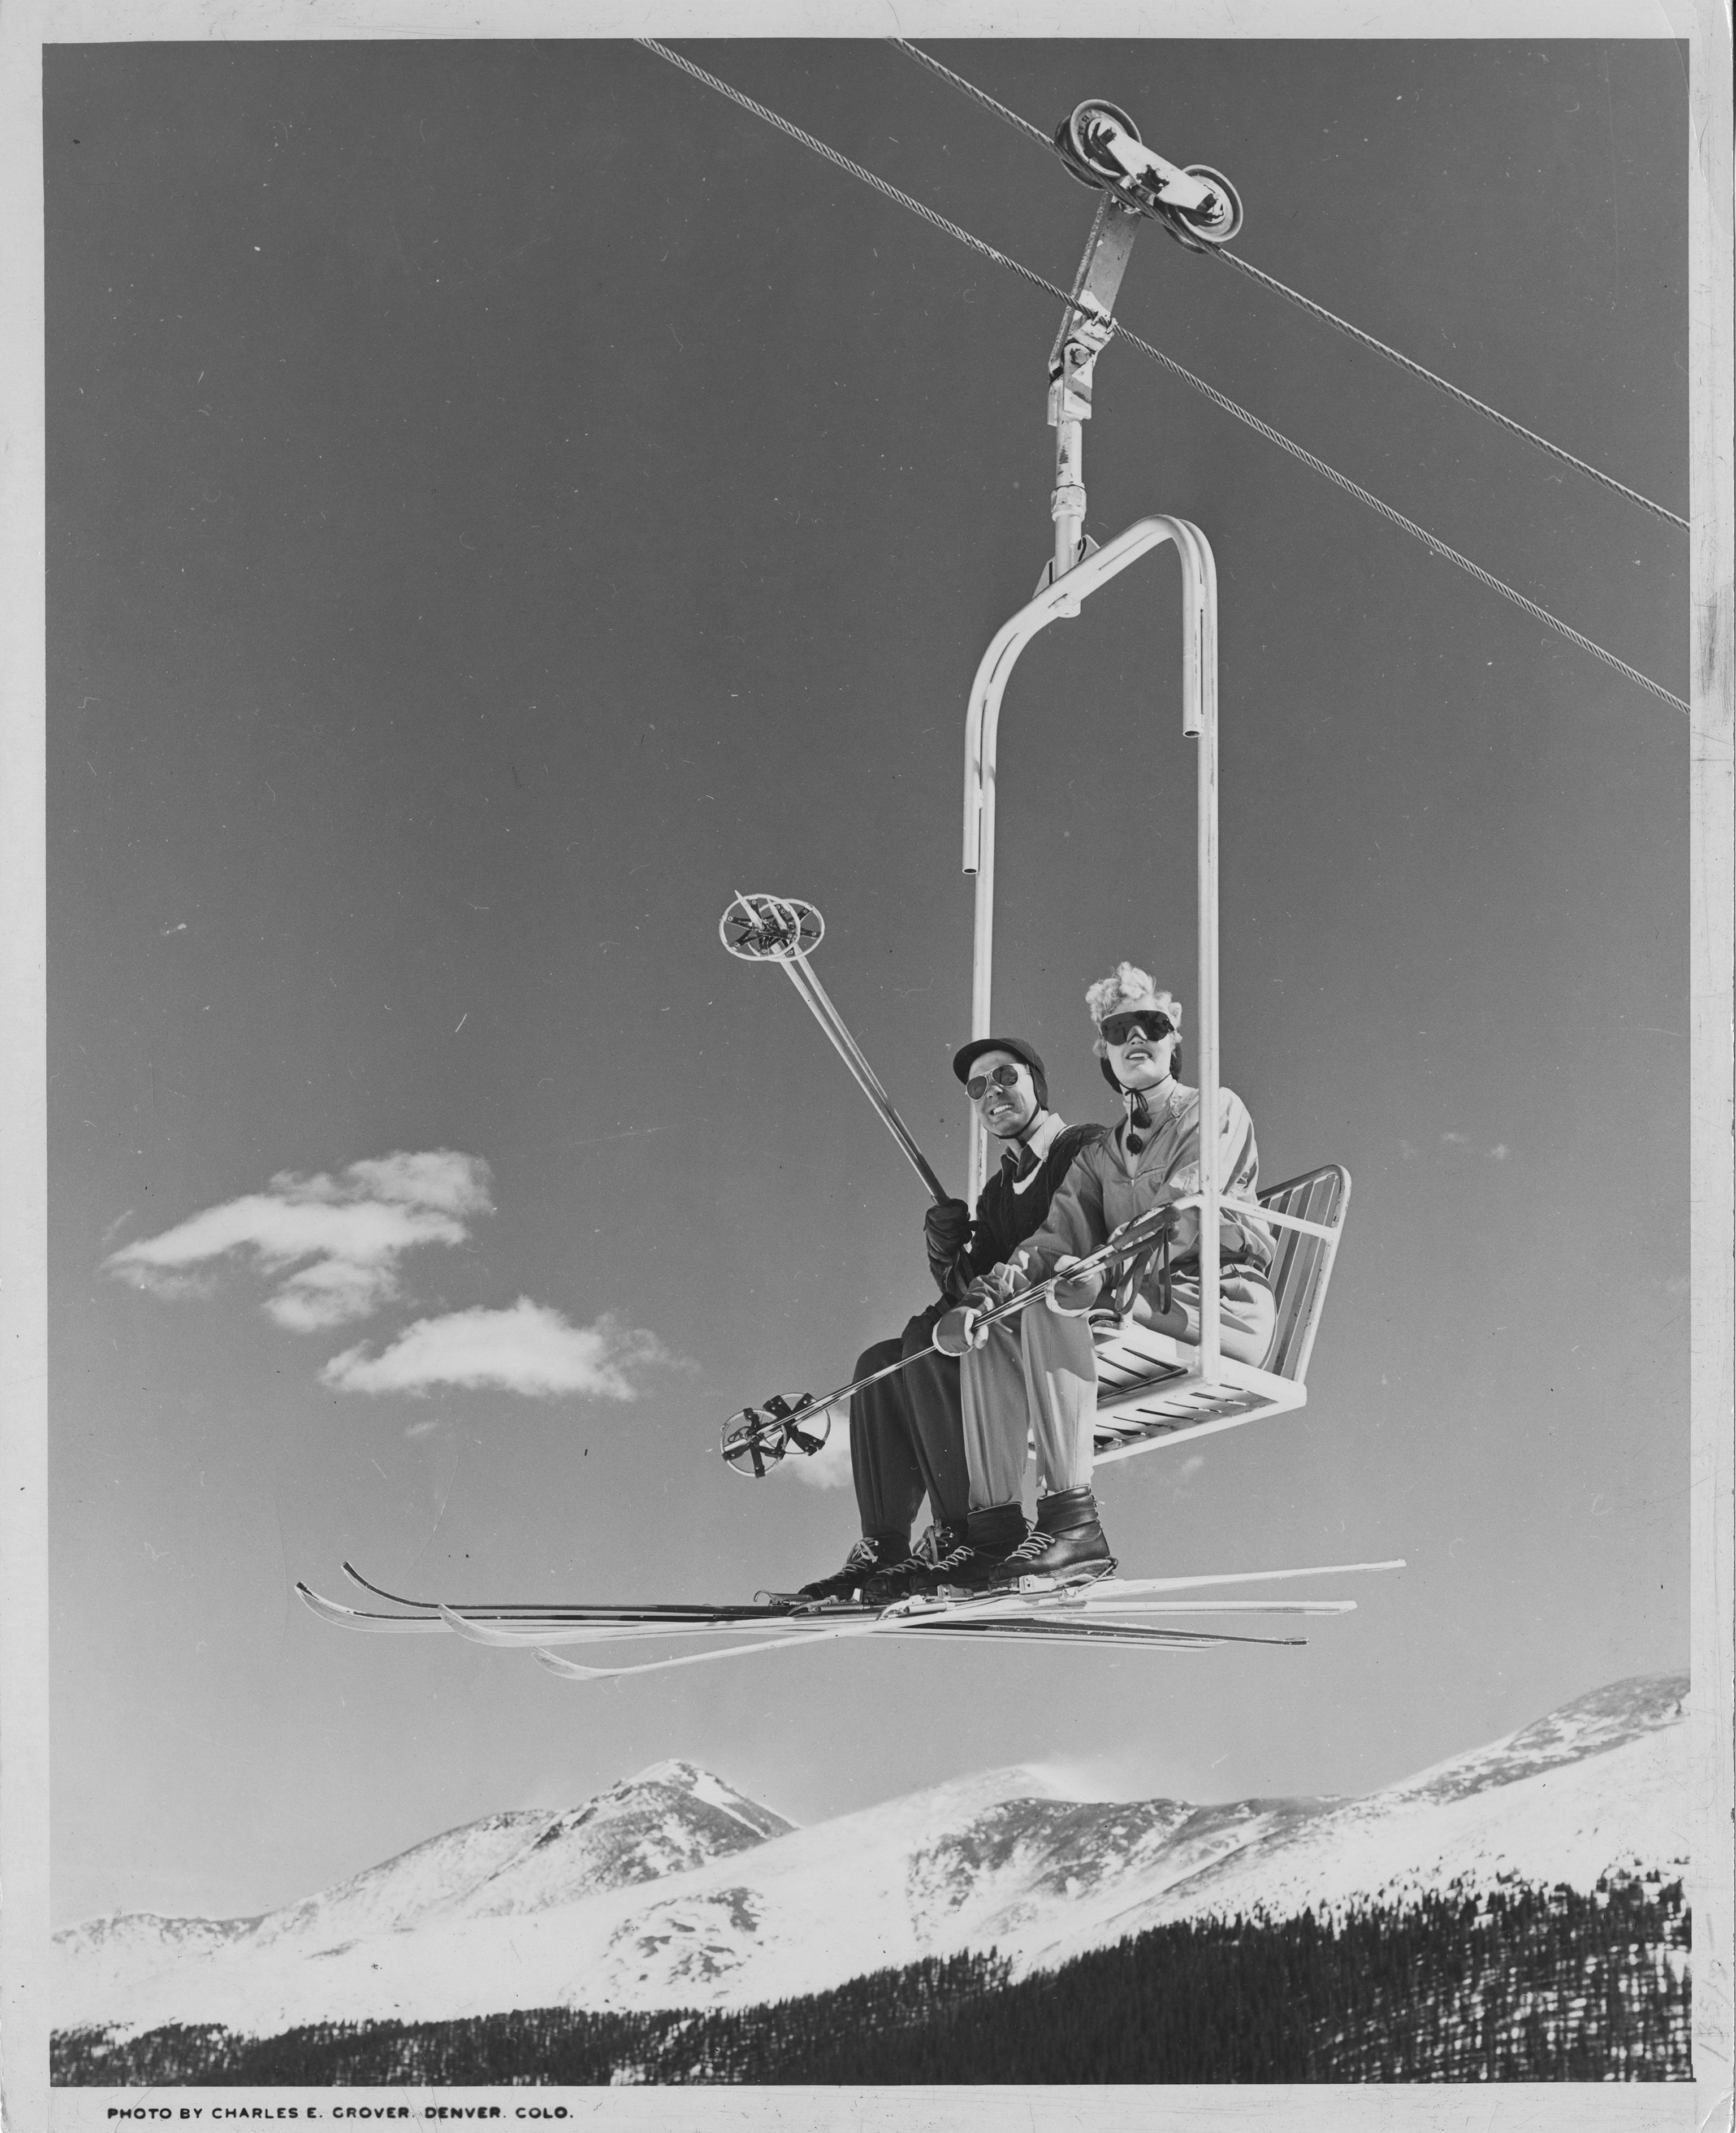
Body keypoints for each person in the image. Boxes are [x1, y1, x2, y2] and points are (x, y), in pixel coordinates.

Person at [935, 964, 1274, 1587]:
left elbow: (1185, 1207)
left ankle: (1073, 1525)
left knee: (1053, 1301)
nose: (1137, 1037)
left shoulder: (1214, 1109)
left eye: (1154, 1024)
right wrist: (977, 1300)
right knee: (994, 1327)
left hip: (1217, 1305)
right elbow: (1048, 1241)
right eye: (1121, 1030)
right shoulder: (1100, 1155)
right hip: (1142, 1302)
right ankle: (992, 1529)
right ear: (1106, 1055)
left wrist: (1104, 1275)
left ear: (1175, 1042)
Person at [790, 1038, 1107, 1605]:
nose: (993, 1094)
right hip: (1005, 1317)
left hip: (1068, 1315)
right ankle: (885, 1546)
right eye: (978, 1087)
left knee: (931, 1342)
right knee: (882, 1364)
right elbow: (969, 1284)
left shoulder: (1079, 1146)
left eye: (1005, 1076)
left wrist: (979, 1297)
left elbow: (1068, 1239)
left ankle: (977, 1532)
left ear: (1037, 1082)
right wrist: (946, 1252)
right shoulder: (1000, 1188)